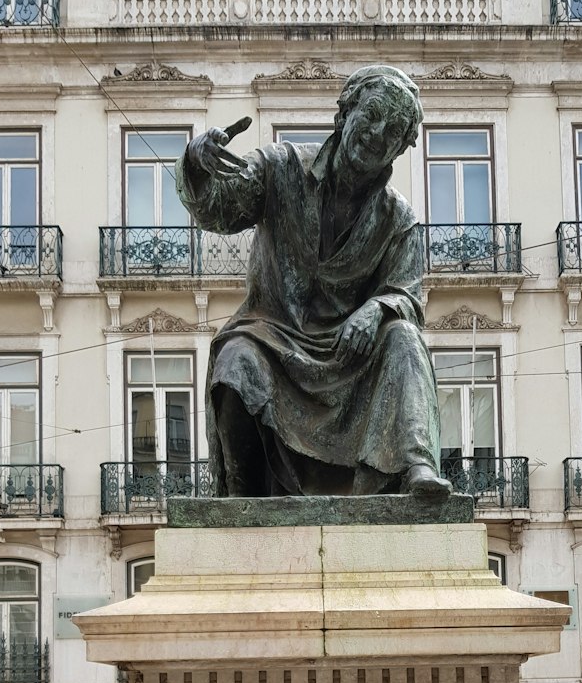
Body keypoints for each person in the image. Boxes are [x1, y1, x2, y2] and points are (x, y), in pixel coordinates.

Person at [176, 64, 451, 498]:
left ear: (400, 148)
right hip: (273, 340)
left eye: (395, 129)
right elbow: (219, 212)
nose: (378, 133)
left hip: (349, 357)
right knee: (236, 358)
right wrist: (196, 165)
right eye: (373, 113)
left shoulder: (399, 220)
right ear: (345, 114)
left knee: (404, 339)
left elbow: (407, 297)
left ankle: (419, 468)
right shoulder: (281, 166)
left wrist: (376, 309)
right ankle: (240, 501)